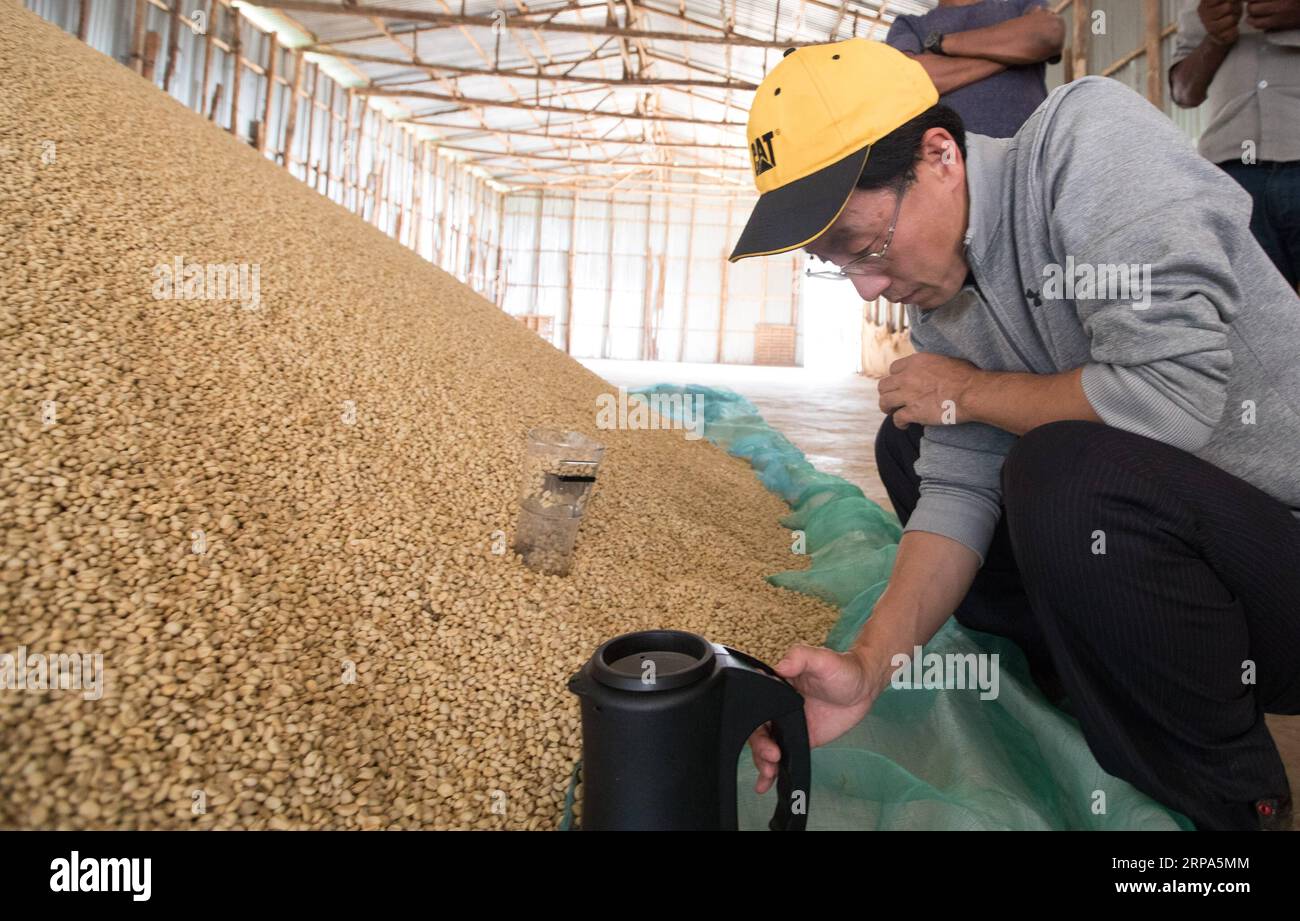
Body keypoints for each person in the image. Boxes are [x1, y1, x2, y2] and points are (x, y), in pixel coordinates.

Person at [729, 38, 1300, 830]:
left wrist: (970, 390)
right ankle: (1079, 693)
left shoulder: (1087, 145)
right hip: (1193, 562)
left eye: (866, 246)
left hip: (1280, 558)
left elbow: (1172, 393)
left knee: (1062, 473)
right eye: (837, 263)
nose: (867, 285)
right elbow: (959, 494)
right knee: (919, 440)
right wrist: (867, 666)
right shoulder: (943, 306)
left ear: (940, 157)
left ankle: (1233, 813)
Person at [1170, 0, 1300, 288]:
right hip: (1234, 181)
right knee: (1256, 320)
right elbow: (1183, 93)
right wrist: (1215, 40)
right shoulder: (1201, 7)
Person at [885, 0, 1064, 138]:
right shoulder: (909, 24)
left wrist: (942, 44)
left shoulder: (1020, 3)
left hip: (1031, 154)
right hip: (948, 167)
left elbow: (1049, 34)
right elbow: (908, 81)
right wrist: (1017, 50)